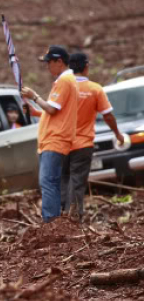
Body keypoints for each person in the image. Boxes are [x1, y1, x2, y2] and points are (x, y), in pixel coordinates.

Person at [62, 52, 124, 219]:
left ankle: (60, 218)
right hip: (82, 145)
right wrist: (117, 134)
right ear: (86, 67)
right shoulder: (95, 89)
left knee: (63, 180)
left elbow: (51, 111)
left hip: (61, 143)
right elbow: (108, 115)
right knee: (77, 181)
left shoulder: (62, 86)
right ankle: (74, 218)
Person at [21, 46, 78, 223]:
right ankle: (55, 222)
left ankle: (51, 223)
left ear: (59, 61)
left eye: (49, 63)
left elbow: (52, 109)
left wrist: (34, 96)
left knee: (48, 183)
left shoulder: (64, 81)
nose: (47, 67)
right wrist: (36, 111)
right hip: (54, 141)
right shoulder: (67, 81)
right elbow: (58, 111)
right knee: (52, 182)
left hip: (55, 140)